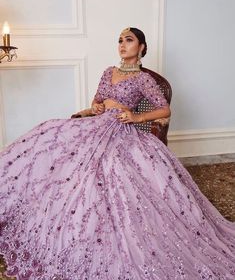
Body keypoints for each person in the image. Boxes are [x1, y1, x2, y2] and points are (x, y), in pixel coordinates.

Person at [0, 27, 234, 280]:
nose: (122, 44)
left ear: (142, 47)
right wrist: (96, 106)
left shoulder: (144, 79)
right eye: (120, 40)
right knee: (48, 134)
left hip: (120, 129)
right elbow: (96, 103)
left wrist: (136, 116)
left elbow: (163, 110)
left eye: (129, 40)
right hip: (95, 124)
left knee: (108, 167)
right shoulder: (108, 72)